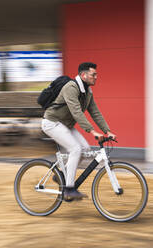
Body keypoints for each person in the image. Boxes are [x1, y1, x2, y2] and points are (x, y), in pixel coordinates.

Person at [41, 62, 116, 200]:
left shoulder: (88, 92)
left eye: (96, 74)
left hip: (65, 125)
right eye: (93, 74)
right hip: (52, 123)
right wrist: (92, 131)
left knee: (85, 149)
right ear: (83, 75)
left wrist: (107, 130)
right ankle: (69, 189)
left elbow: (95, 112)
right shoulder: (71, 87)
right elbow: (76, 112)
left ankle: (62, 176)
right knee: (75, 148)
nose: (96, 77)